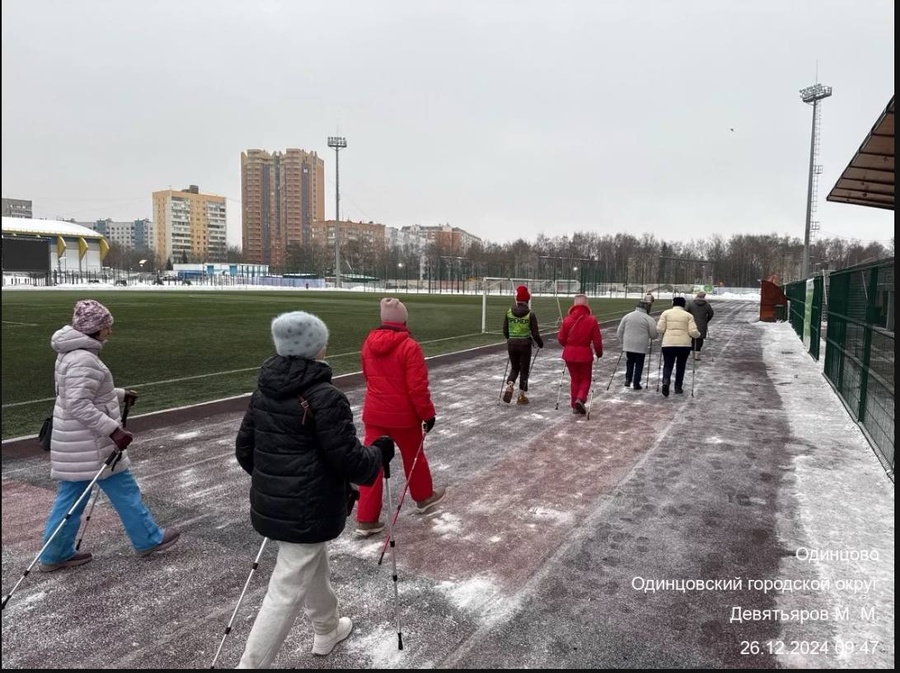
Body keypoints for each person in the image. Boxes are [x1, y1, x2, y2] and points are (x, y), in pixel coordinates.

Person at [235, 310, 395, 665]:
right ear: (316, 348)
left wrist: (276, 483)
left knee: (310, 562)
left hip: (277, 503)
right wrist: (379, 452)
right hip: (306, 508)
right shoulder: (325, 395)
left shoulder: (264, 389)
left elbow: (244, 450)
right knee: (286, 588)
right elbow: (350, 461)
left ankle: (327, 628)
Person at [40, 299, 179, 573]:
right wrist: (113, 430)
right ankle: (147, 539)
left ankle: (55, 553)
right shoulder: (84, 359)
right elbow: (78, 403)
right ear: (95, 329)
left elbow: (76, 394)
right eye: (106, 326)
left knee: (75, 497)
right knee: (123, 491)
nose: (109, 332)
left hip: (78, 442)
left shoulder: (72, 353)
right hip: (91, 443)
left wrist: (119, 394)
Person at [355, 298, 445, 537]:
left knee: (372, 464)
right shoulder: (410, 346)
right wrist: (427, 414)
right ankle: (423, 497)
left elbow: (368, 376)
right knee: (414, 458)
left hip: (375, 413)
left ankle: (365, 519)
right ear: (403, 320)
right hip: (404, 417)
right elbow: (417, 387)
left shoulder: (368, 343)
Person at [557, 294, 603, 414]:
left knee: (575, 379)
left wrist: (569, 347)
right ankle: (581, 398)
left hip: (569, 355)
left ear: (574, 304)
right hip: (585, 355)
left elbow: (561, 339)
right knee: (586, 378)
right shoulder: (592, 320)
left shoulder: (567, 320)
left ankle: (574, 404)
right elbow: (597, 340)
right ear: (586, 305)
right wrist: (599, 353)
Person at [501, 285, 545, 405]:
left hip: (512, 344)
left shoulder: (509, 312)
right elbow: (535, 333)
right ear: (527, 300)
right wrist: (540, 344)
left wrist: (510, 339)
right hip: (525, 344)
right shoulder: (530, 314)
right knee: (524, 370)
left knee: (515, 367)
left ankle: (510, 385)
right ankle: (521, 396)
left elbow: (505, 330)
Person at [656, 296, 701, 397]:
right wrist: (698, 335)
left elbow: (659, 329)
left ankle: (666, 381)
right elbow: (693, 332)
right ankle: (678, 387)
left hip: (668, 343)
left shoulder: (666, 313)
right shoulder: (688, 315)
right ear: (684, 305)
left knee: (668, 364)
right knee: (681, 366)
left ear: (673, 303)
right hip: (684, 345)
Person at [616, 301, 658, 390]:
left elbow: (620, 331)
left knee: (630, 362)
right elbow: (654, 334)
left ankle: (628, 379)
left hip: (628, 344)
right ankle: (636, 383)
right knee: (639, 364)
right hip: (641, 345)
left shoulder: (627, 316)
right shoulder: (648, 318)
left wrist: (623, 341)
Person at [686, 291, 715, 360]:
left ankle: (692, 352)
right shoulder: (707, 305)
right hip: (702, 324)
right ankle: (697, 354)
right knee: (700, 339)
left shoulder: (690, 303)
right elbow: (711, 314)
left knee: (692, 338)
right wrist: (706, 320)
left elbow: (686, 312)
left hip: (691, 323)